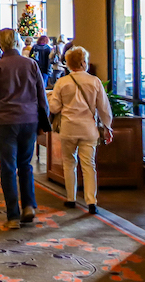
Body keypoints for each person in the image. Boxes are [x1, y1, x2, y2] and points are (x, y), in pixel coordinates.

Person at [0, 28, 50, 229]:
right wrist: (44, 124)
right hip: (29, 120)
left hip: (7, 122)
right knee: (25, 165)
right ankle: (28, 205)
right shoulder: (31, 64)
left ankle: (13, 215)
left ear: (1, 44)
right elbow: (41, 97)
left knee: (8, 167)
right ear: (18, 42)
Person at [48, 47, 113, 214]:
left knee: (69, 163)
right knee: (89, 165)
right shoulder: (95, 81)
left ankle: (71, 198)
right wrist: (107, 127)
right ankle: (91, 201)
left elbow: (54, 108)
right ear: (83, 62)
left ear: (69, 64)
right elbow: (104, 108)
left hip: (68, 128)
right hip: (88, 129)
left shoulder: (62, 82)